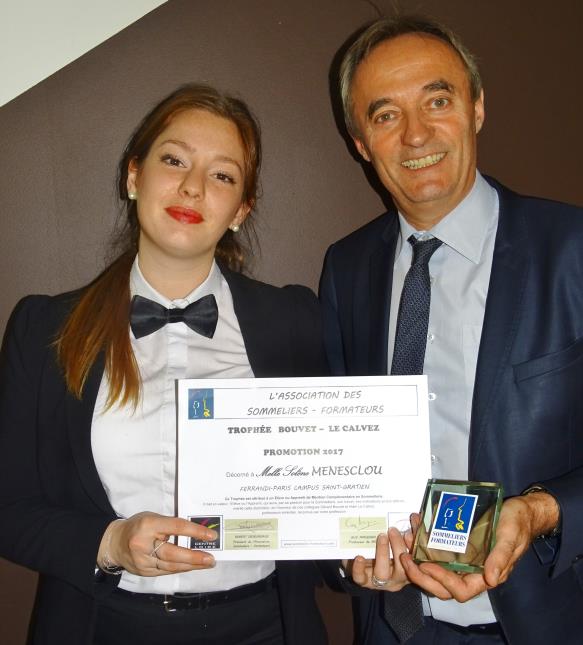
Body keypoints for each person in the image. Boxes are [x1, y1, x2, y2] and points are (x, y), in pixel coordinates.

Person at [0, 84, 329, 645]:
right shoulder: (44, 329)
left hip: (265, 626)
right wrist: (110, 543)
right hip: (102, 625)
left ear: (240, 209)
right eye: (173, 160)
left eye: (222, 175)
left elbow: (326, 488)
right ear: (134, 177)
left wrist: (357, 557)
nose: (192, 187)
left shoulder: (296, 320)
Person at [319, 14, 583, 645]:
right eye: (385, 115)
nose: (416, 135)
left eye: (437, 100)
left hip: (544, 624)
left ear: (477, 109)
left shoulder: (573, 249)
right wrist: (350, 554)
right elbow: (337, 449)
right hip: (394, 628)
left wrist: (541, 510)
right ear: (361, 143)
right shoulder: (346, 268)